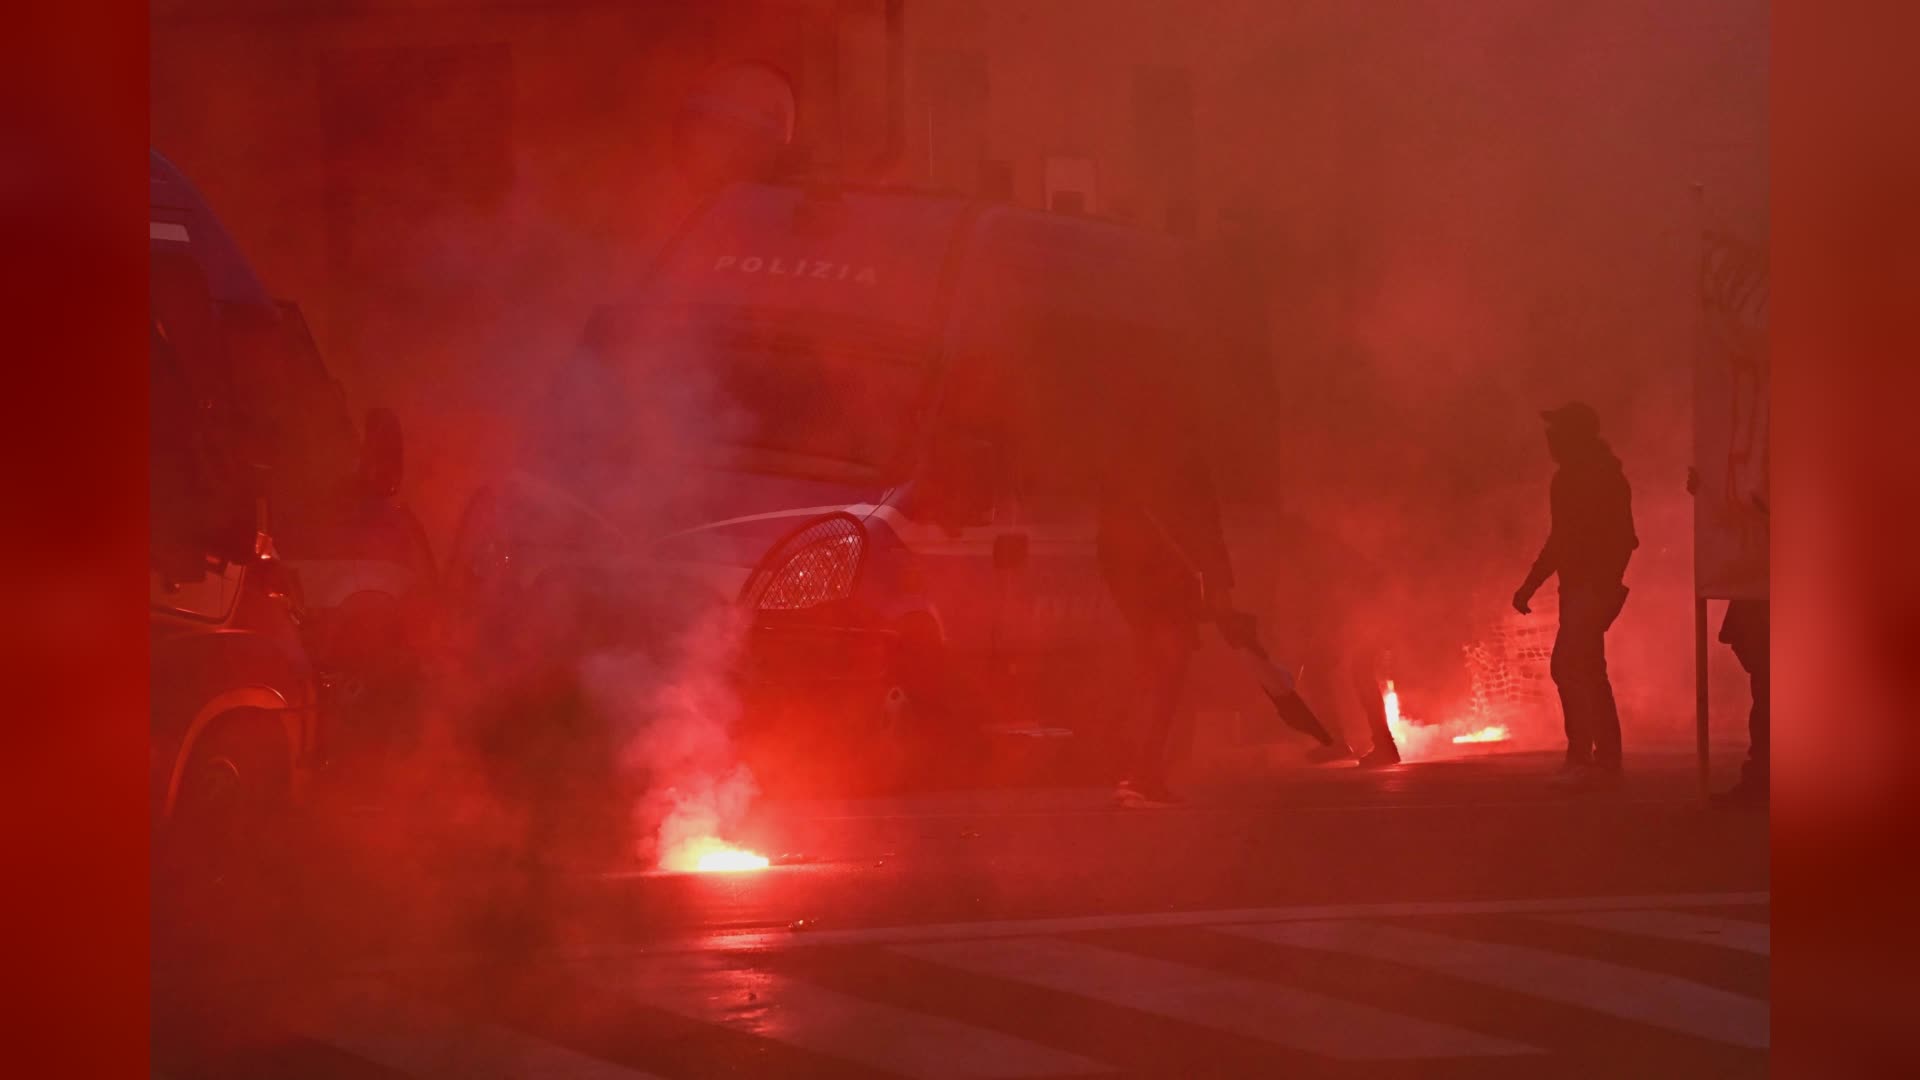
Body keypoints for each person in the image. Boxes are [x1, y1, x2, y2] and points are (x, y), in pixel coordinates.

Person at [1098, 441, 1234, 807]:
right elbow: (1207, 526)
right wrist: (1220, 585)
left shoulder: (1130, 476)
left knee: (1156, 680)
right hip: (1166, 589)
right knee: (1166, 681)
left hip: (1150, 589)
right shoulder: (1182, 469)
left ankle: (1139, 770)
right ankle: (1143, 772)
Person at [1512, 402, 1638, 789]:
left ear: (1573, 436)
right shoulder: (1596, 475)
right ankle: (1593, 754)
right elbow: (1606, 539)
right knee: (1580, 667)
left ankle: (1594, 757)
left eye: (1556, 431)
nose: (1549, 438)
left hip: (1588, 587)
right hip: (1587, 587)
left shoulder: (1583, 478)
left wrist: (1534, 583)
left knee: (1574, 667)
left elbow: (1576, 540)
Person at [1688, 468, 1769, 807]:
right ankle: (1761, 778)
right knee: (1766, 691)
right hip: (1758, 595)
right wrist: (1707, 495)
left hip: (1773, 598)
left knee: (1771, 693)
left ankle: (1762, 779)